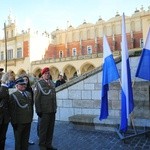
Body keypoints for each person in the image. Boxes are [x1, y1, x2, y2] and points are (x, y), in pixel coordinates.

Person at [34, 67, 57, 150]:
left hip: (52, 110)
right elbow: (36, 98)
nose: (47, 75)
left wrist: (55, 108)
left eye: (48, 73)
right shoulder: (39, 84)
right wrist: (38, 110)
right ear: (42, 75)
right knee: (43, 130)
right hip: (44, 111)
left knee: (51, 129)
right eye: (46, 73)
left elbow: (54, 97)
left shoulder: (52, 83)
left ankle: (49, 144)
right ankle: (42, 146)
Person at [9, 77, 33, 150]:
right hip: (19, 122)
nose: (23, 86)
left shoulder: (28, 94)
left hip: (28, 120)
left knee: (25, 140)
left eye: (24, 84)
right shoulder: (13, 96)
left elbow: (30, 107)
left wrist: (31, 117)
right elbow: (12, 111)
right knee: (18, 141)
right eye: (21, 84)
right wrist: (14, 122)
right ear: (17, 86)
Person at [22, 74, 35, 145]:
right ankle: (22, 139)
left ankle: (27, 139)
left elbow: (32, 100)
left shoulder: (30, 89)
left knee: (29, 125)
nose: (25, 81)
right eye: (24, 80)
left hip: (30, 110)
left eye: (26, 80)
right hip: (22, 111)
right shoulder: (20, 88)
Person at [0, 72, 10, 150]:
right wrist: (4, 84)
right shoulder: (4, 87)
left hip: (5, 117)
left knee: (3, 137)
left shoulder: (5, 88)